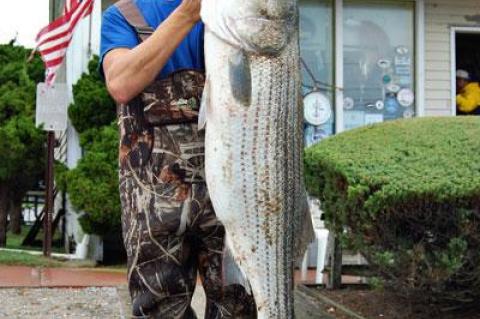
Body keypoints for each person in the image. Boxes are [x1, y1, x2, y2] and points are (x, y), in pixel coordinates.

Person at [100, 0, 256, 317]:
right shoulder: (125, 16)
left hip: (230, 197)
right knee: (159, 308)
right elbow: (120, 83)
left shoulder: (234, 15)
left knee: (238, 305)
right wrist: (188, 12)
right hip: (153, 205)